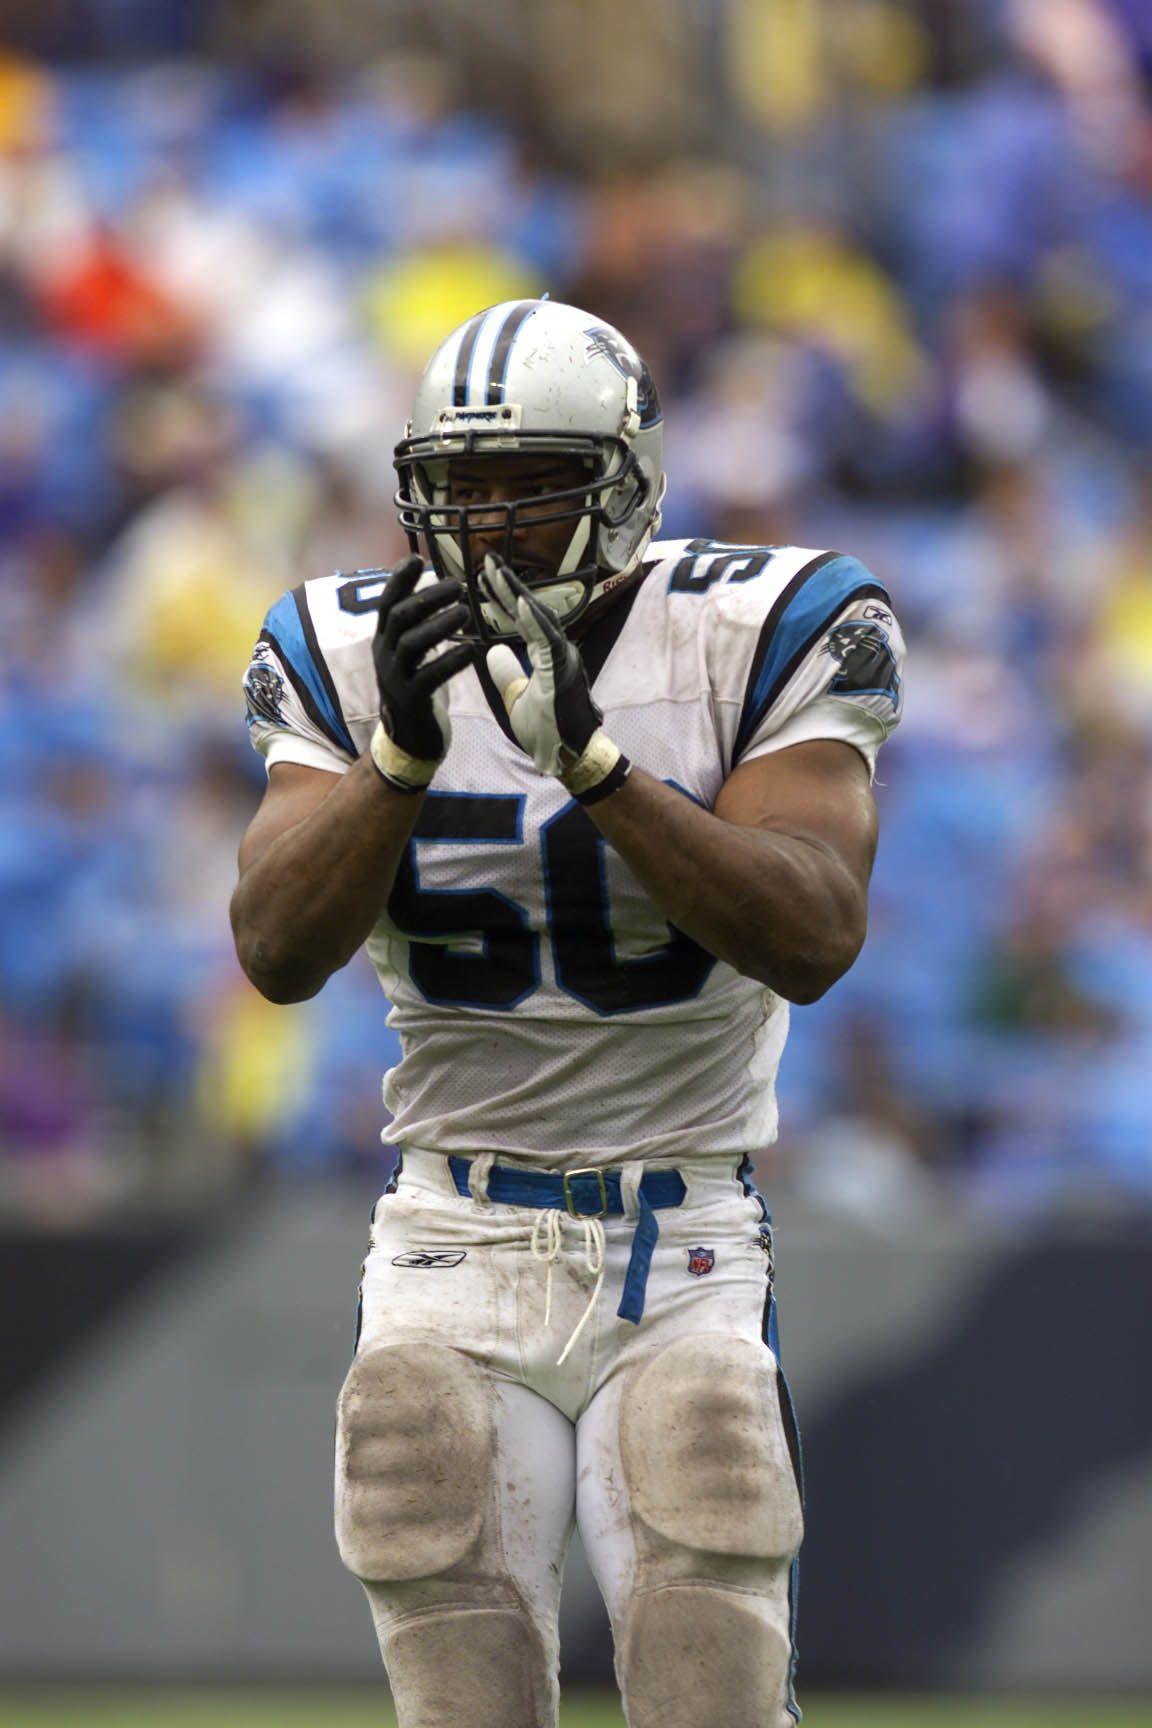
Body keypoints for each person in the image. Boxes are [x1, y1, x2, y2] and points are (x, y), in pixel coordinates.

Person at [231, 298, 905, 1728]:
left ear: (627, 481)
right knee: (453, 1656)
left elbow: (812, 934)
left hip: (681, 1234)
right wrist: (397, 758)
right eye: (457, 489)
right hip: (450, 1231)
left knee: (707, 1662)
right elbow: (277, 950)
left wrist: (596, 769)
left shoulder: (753, 627)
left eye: (529, 486)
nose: (486, 529)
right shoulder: (348, 647)